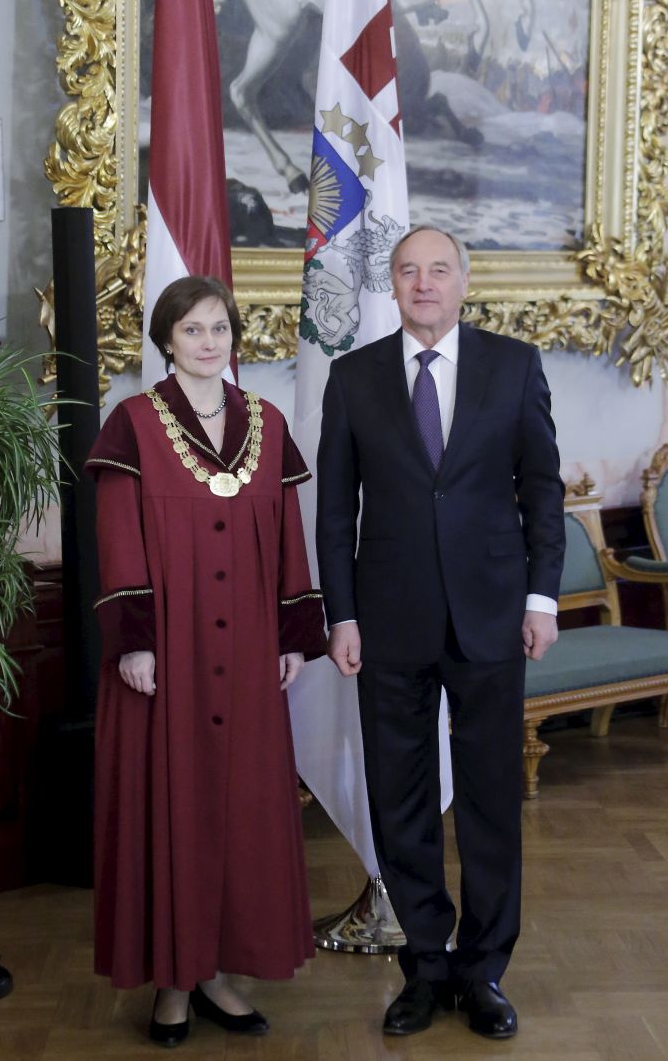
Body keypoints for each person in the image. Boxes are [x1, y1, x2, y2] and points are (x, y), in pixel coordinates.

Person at [316, 225, 565, 1040]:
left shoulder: (514, 365)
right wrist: (342, 614)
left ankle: (484, 970)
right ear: (391, 284)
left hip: (494, 615)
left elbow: (543, 491)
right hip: (388, 620)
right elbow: (334, 512)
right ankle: (424, 966)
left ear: (464, 280)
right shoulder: (352, 377)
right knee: (401, 800)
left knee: (492, 799)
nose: (423, 283)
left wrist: (542, 599)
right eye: (408, 271)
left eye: (438, 270)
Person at [86, 275, 326, 1048]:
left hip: (250, 655)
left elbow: (288, 536)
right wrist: (135, 642)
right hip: (168, 657)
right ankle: (172, 979)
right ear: (166, 339)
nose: (208, 342)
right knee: (174, 806)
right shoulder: (132, 424)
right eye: (192, 329)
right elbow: (118, 539)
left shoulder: (267, 421)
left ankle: (218, 972)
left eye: (219, 328)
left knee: (239, 812)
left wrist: (292, 636)